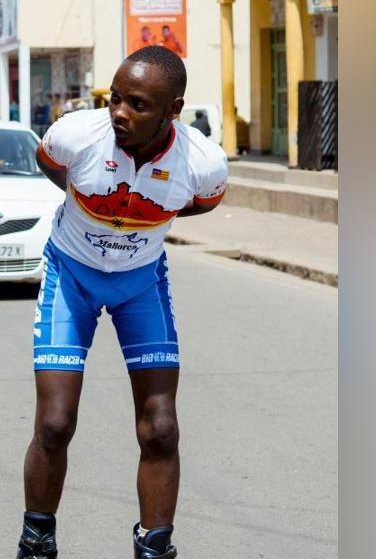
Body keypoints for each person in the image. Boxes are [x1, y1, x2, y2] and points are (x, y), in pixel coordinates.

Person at [18, 45, 228, 559]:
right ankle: (37, 542)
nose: (119, 113)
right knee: (54, 424)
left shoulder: (202, 164)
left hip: (140, 282)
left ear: (172, 110)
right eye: (114, 99)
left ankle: (154, 547)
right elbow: (52, 165)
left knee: (160, 428)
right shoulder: (76, 135)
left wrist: (134, 230)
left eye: (137, 104)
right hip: (72, 275)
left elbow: (198, 205)